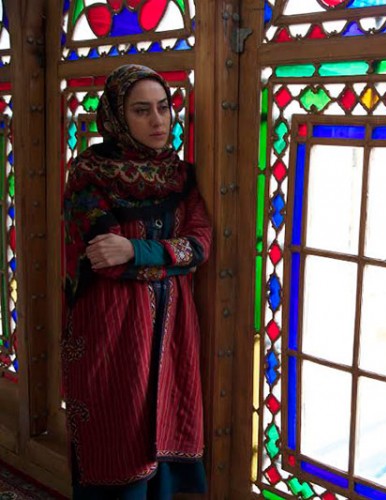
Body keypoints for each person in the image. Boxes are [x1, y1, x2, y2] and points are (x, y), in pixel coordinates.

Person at [62, 64, 212, 499]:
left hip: (172, 331)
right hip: (111, 330)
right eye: (142, 110)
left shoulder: (180, 176)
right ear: (117, 117)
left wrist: (137, 251)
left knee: (165, 430)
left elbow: (200, 244)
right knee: (116, 442)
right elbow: (105, 258)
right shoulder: (89, 175)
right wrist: (172, 258)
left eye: (163, 108)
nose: (158, 121)